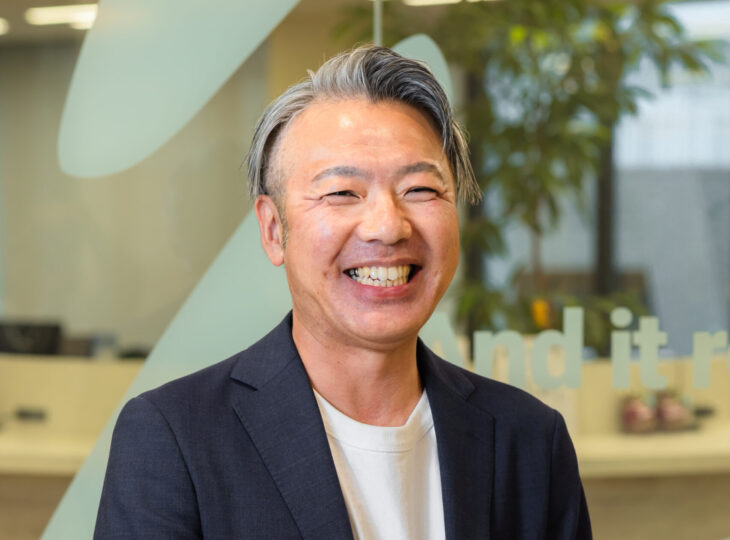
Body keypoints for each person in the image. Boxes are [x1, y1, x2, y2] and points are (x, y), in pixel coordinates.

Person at [94, 45, 592, 540]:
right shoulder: (175, 437)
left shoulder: (529, 440)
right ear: (273, 230)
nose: (387, 226)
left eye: (420, 189)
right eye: (342, 193)